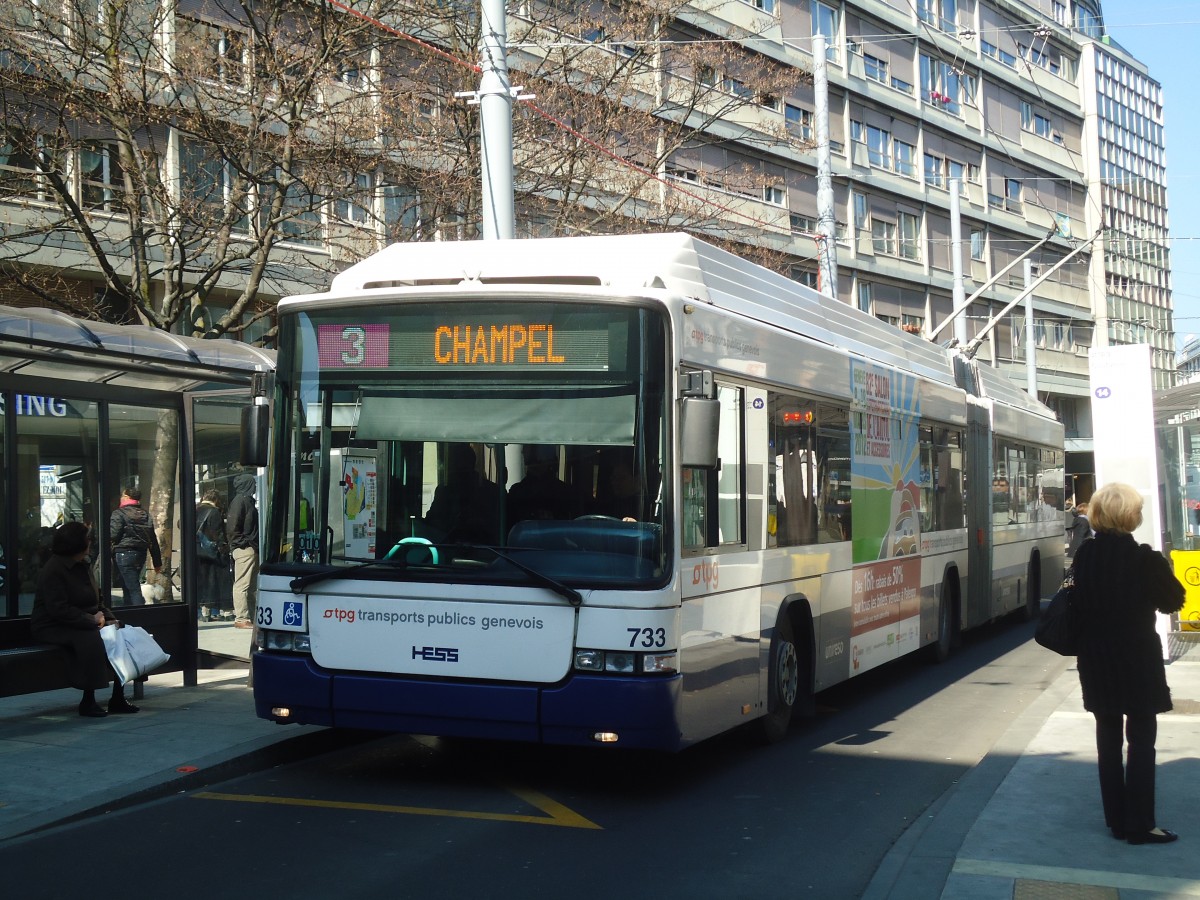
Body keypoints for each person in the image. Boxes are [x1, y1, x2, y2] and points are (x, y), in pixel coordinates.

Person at [1071, 482, 1184, 845]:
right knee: (1141, 740)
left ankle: (1116, 820)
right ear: (1130, 517)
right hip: (1137, 660)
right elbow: (1172, 602)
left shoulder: (1084, 556)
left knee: (1107, 738)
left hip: (1096, 660)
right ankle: (1140, 824)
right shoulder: (1145, 559)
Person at [31, 521, 138, 717]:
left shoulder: (83, 565)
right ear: (76, 543)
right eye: (87, 539)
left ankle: (118, 697)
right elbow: (58, 609)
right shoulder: (54, 569)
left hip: (83, 620)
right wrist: (91, 620)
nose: (90, 542)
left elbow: (98, 600)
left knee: (119, 634)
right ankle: (88, 700)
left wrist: (109, 619)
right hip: (53, 625)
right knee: (91, 640)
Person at [425, 444, 502, 543]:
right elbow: (431, 523)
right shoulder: (444, 492)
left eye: (459, 466)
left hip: (485, 552)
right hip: (446, 549)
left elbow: (497, 528)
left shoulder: (491, 492)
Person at [109, 483, 162, 607]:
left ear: (127, 497)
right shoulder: (145, 514)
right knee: (129, 586)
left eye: (122, 496)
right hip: (140, 554)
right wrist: (157, 561)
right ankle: (130, 613)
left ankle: (138, 615)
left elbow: (113, 534)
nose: (120, 498)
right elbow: (152, 539)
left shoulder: (119, 513)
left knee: (132, 588)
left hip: (124, 553)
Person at [225, 473, 259, 630]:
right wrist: (243, 544)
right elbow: (232, 527)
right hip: (245, 548)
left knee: (250, 586)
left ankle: (250, 617)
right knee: (242, 585)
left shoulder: (245, 500)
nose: (256, 486)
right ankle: (242, 618)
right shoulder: (240, 501)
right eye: (253, 483)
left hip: (248, 547)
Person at [508, 445, 573, 523]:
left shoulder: (565, 492)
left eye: (540, 458)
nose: (535, 462)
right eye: (531, 458)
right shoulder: (517, 492)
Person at [196, 489, 232, 622]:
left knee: (203, 582)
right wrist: (224, 549)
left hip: (197, 552)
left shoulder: (194, 509)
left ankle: (205, 612)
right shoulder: (214, 512)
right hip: (211, 553)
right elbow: (218, 534)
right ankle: (225, 611)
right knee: (216, 582)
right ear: (215, 500)